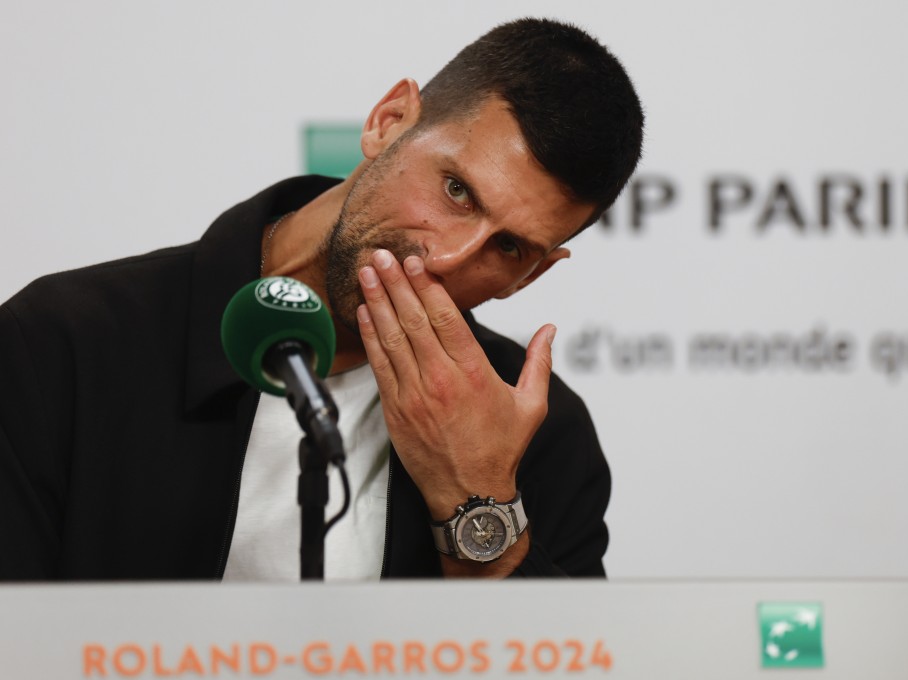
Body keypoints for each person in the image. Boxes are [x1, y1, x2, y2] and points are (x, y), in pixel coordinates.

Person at [0, 18, 644, 581]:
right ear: (388, 122)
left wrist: (476, 497)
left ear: (530, 275)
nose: (447, 258)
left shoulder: (538, 431)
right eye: (455, 190)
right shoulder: (63, 346)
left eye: (509, 249)